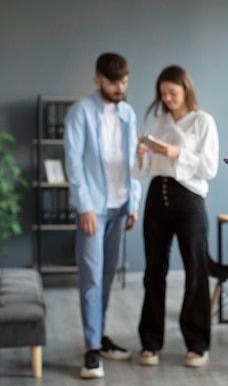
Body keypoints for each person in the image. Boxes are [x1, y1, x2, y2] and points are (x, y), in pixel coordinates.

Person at [133, 65, 219, 368]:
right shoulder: (158, 121)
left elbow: (209, 169)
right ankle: (150, 341)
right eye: (163, 93)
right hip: (157, 197)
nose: (167, 98)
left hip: (190, 201)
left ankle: (197, 343)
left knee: (196, 272)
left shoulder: (203, 121)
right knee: (153, 273)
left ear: (185, 90)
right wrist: (143, 154)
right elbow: (142, 171)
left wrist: (177, 153)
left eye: (173, 92)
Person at [64, 52, 142, 379]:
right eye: (113, 82)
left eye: (123, 81)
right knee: (92, 278)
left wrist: (134, 201)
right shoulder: (80, 112)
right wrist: (83, 206)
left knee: (108, 277)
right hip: (93, 208)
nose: (119, 87)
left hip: (120, 205)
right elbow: (73, 162)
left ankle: (100, 336)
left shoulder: (128, 113)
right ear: (98, 80)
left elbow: (133, 162)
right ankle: (91, 349)